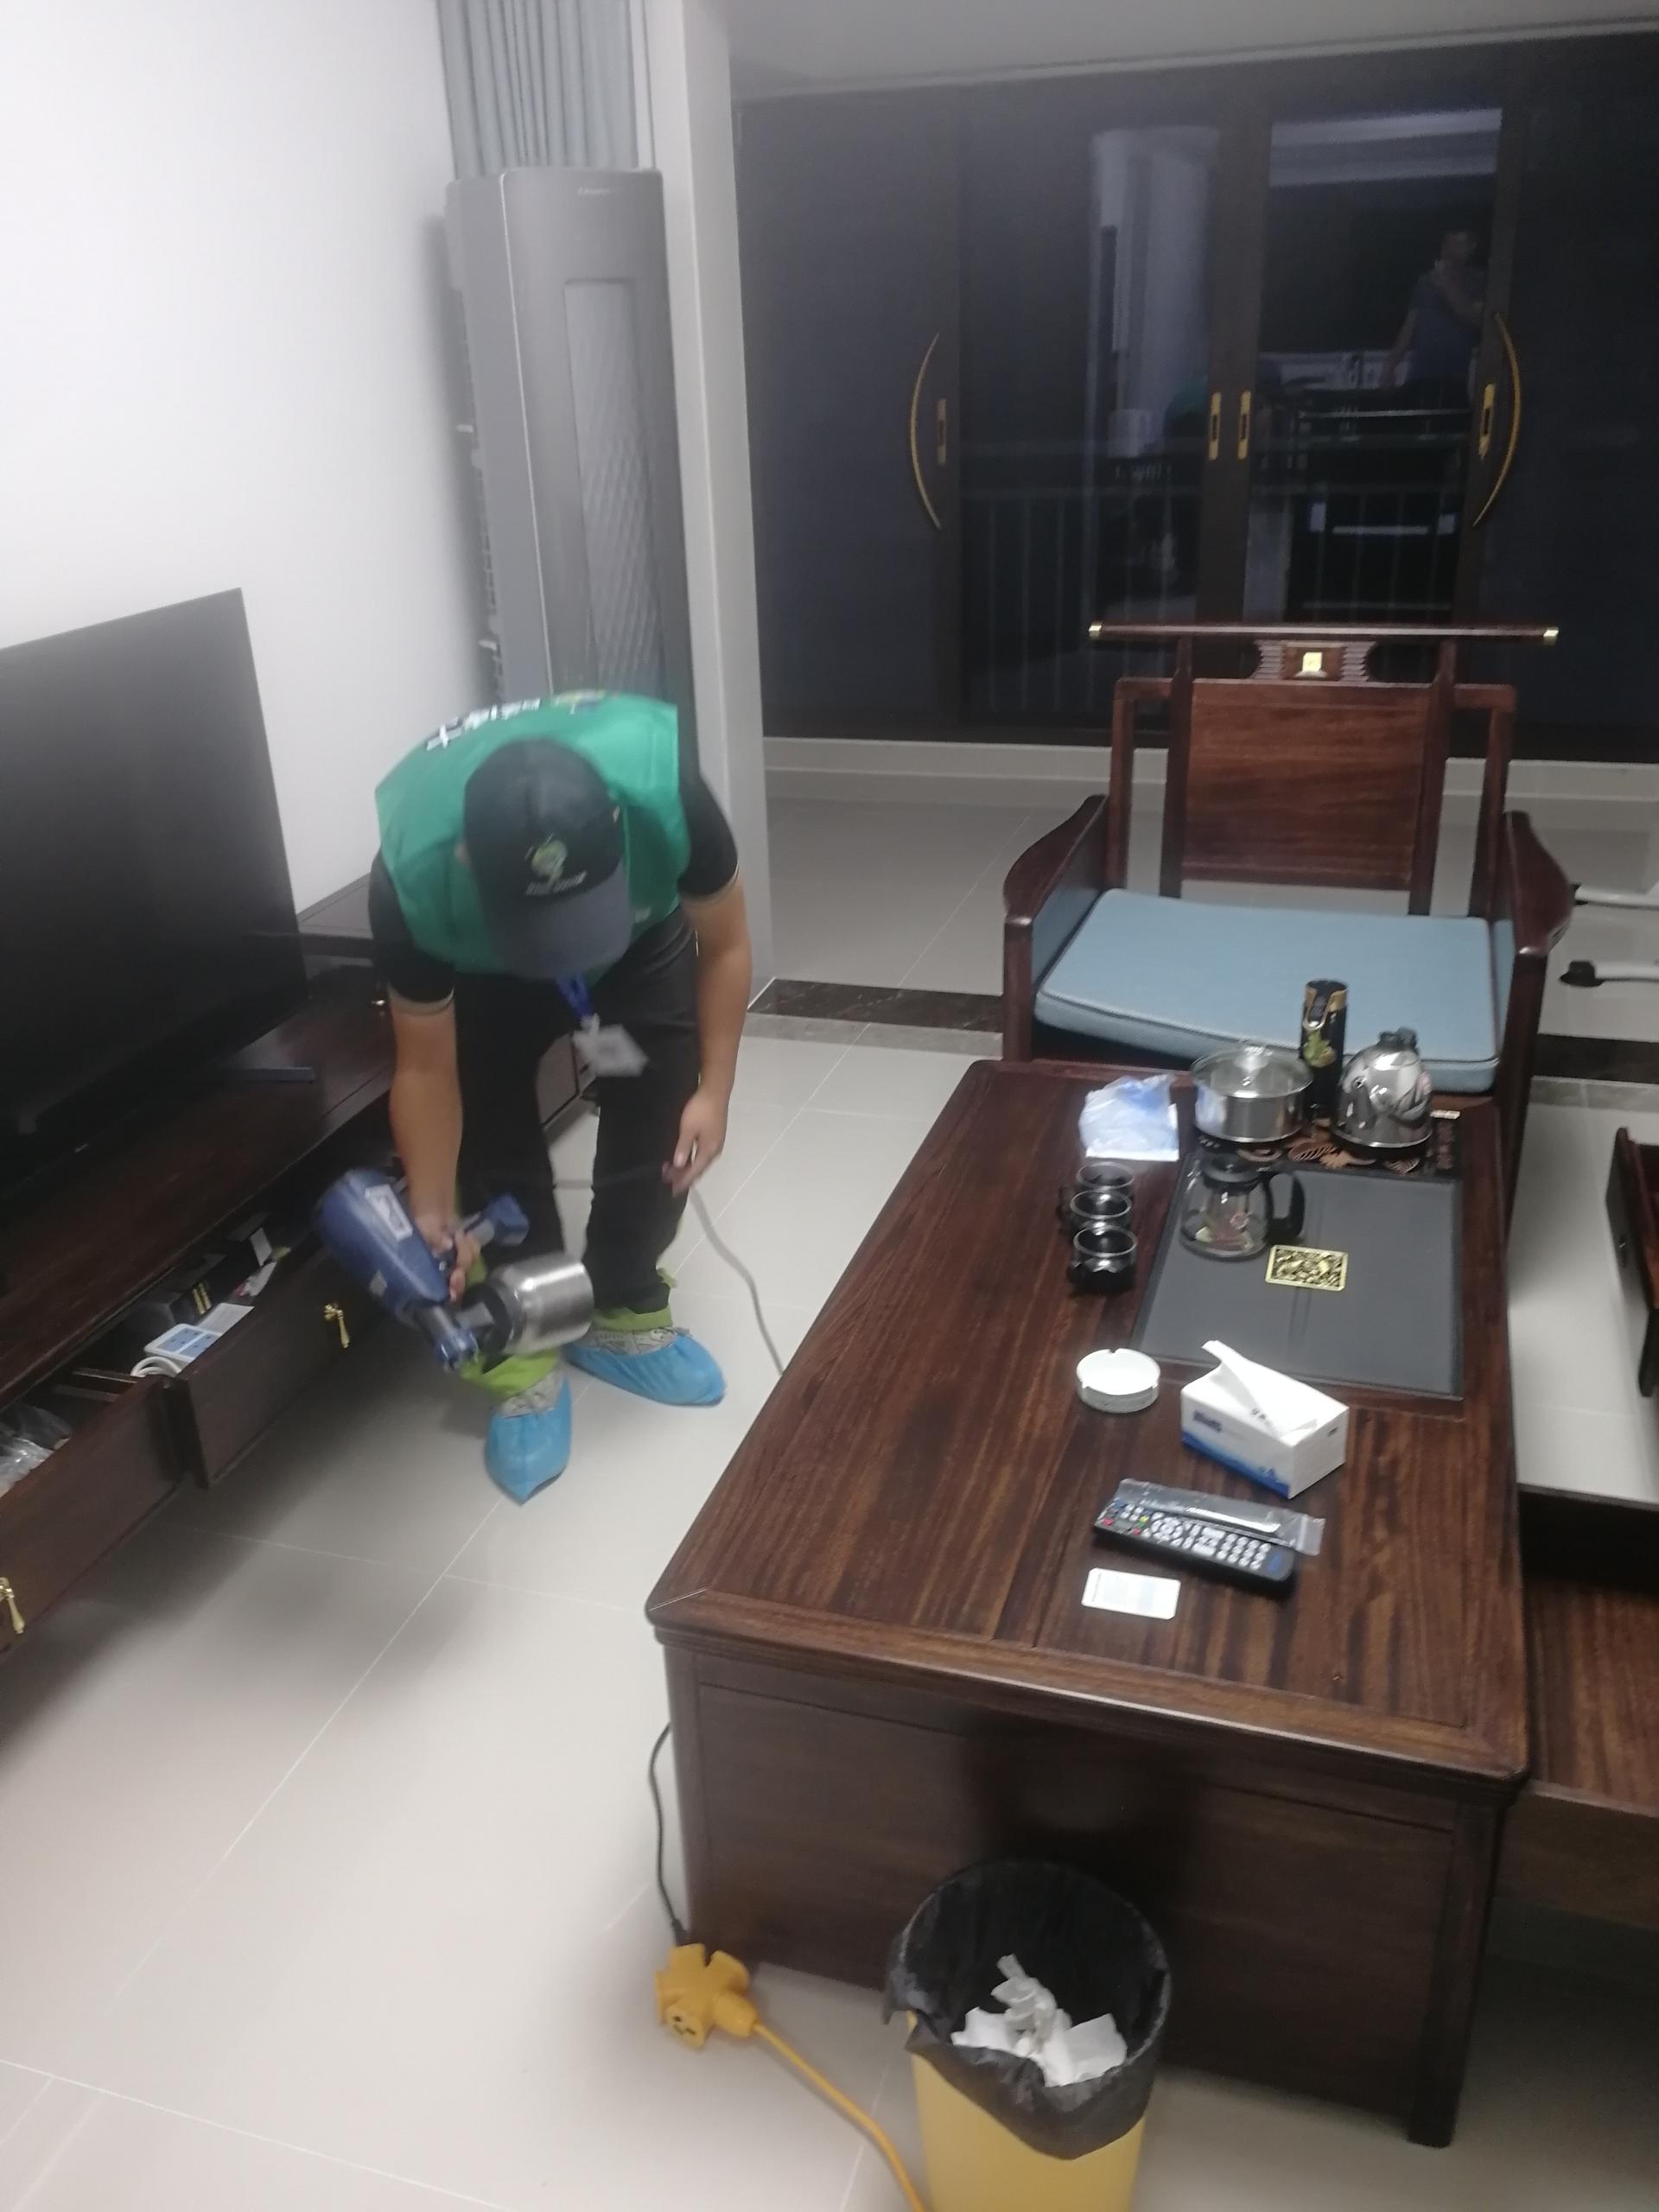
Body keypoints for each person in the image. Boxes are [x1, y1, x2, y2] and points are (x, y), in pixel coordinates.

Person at [368, 690, 751, 1501]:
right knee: (490, 1151)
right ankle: (525, 1357)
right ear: (467, 859)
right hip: (484, 971)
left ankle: (620, 1309)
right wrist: (432, 1212)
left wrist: (715, 1090)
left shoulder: (664, 793)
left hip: (634, 944)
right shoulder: (415, 878)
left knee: (663, 1116)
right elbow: (427, 1069)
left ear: (614, 819)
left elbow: (724, 946)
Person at [1382, 227, 1485, 396]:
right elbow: (1409, 328)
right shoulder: (1425, 282)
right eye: (1448, 243)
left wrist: (1446, 285)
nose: (1451, 249)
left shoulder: (1478, 281)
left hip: (1454, 379)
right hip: (1418, 377)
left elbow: (1475, 317)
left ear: (1471, 247)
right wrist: (1390, 365)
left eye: (1458, 243)